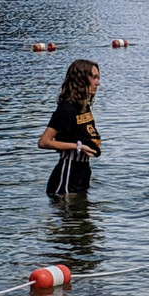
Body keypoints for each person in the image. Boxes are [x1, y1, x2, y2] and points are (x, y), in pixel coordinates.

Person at [38, 59, 102, 198]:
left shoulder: (83, 106)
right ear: (81, 79)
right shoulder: (67, 109)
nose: (98, 83)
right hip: (67, 172)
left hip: (83, 170)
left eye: (98, 78)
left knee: (83, 217)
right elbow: (44, 142)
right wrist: (78, 147)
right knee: (70, 216)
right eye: (94, 78)